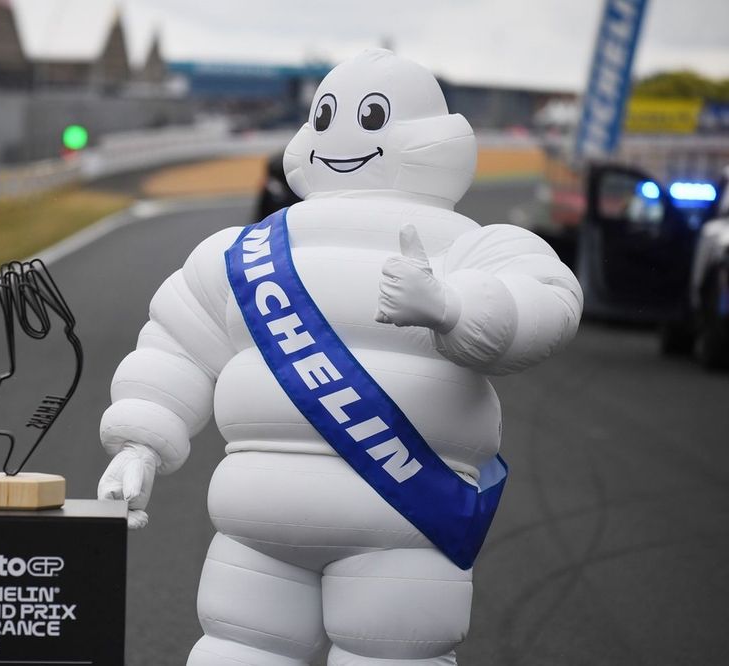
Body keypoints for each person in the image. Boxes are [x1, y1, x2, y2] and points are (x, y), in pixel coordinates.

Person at [98, 49, 583, 665]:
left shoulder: (472, 250)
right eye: (325, 118)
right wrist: (140, 440)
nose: (342, 136)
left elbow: (548, 304)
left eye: (372, 117)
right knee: (241, 652)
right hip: (268, 528)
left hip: (394, 528)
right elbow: (178, 342)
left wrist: (456, 307)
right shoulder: (246, 253)